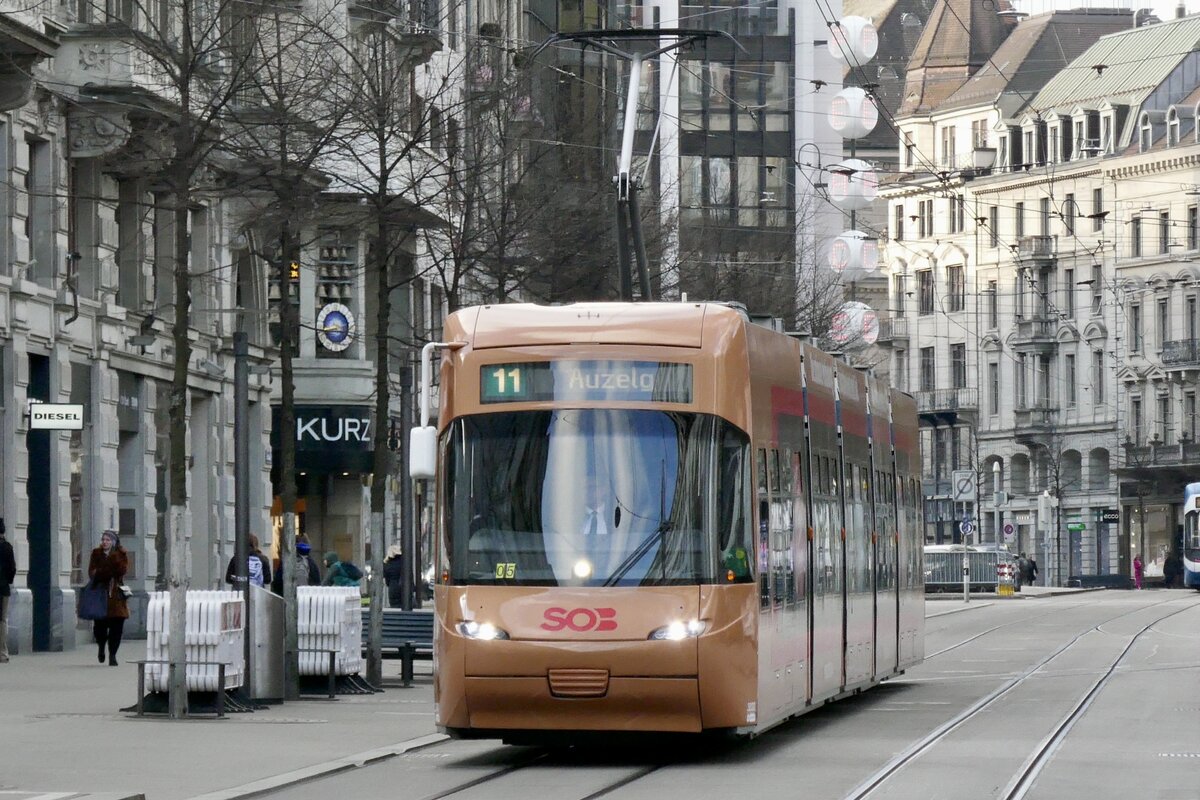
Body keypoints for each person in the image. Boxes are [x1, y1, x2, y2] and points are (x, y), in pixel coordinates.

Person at [88, 530, 129, 666]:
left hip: (116, 595)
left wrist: (112, 560)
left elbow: (122, 571)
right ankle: (101, 647)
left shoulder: (120, 554)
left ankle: (112, 654)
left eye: (108, 540)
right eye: (103, 539)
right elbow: (93, 573)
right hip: (100, 594)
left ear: (113, 542)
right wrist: (105, 572)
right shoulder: (96, 553)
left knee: (117, 626)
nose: (105, 542)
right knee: (100, 627)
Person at [0, 519, 15, 663]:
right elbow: (12, 569)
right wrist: (7, 581)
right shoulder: (8, 548)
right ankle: (3, 653)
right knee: (2, 620)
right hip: (4, 589)